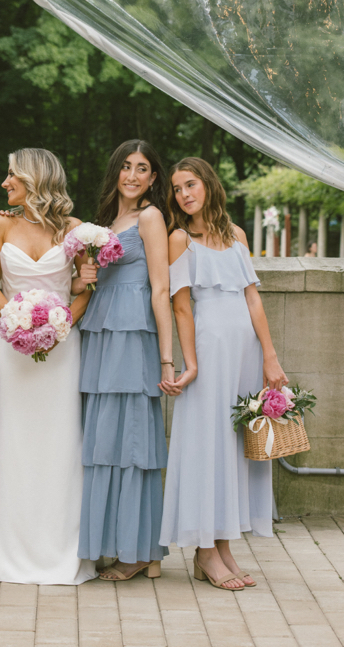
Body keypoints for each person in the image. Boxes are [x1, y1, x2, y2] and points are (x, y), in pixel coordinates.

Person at [160, 157, 288, 590]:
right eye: (177, 189)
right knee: (207, 442)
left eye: (190, 184)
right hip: (211, 349)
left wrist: (270, 356)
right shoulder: (179, 239)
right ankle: (205, 550)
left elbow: (253, 298)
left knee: (235, 444)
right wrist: (190, 361)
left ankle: (224, 543)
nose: (184, 194)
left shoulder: (236, 235)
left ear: (209, 185)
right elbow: (180, 305)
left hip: (245, 351)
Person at [0, 148, 97, 585]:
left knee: (61, 441)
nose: (4, 183)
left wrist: (61, 324)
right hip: (11, 347)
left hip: (62, 350)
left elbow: (86, 288)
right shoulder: (1, 224)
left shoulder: (75, 229)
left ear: (35, 179)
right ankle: (6, 551)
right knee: (15, 440)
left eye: (13, 176)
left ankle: (60, 550)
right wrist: (15, 321)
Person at [78, 140, 179, 581]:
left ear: (154, 178)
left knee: (134, 441)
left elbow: (161, 288)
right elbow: (89, 284)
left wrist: (166, 360)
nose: (133, 175)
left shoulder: (151, 218)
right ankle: (117, 543)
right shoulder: (103, 222)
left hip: (135, 333)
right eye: (125, 166)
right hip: (102, 331)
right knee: (105, 440)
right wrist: (83, 277)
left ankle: (141, 551)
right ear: (116, 172)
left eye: (142, 169)